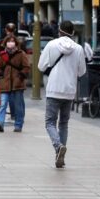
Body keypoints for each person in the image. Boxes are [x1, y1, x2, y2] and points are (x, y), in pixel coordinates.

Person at [38, 20, 86, 168]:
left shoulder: (52, 45)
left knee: (50, 122)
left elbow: (41, 66)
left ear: (59, 31)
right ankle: (60, 156)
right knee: (64, 123)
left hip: (53, 89)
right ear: (72, 32)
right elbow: (82, 71)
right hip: (69, 90)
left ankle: (58, 147)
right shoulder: (78, 49)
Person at [0, 35, 30, 133]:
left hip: (17, 84)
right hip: (5, 83)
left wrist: (21, 76)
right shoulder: (2, 54)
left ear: (16, 43)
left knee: (18, 106)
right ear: (5, 43)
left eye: (13, 41)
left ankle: (18, 125)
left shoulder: (21, 54)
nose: (11, 43)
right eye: (9, 41)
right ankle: (0, 122)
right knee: (3, 103)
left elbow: (26, 67)